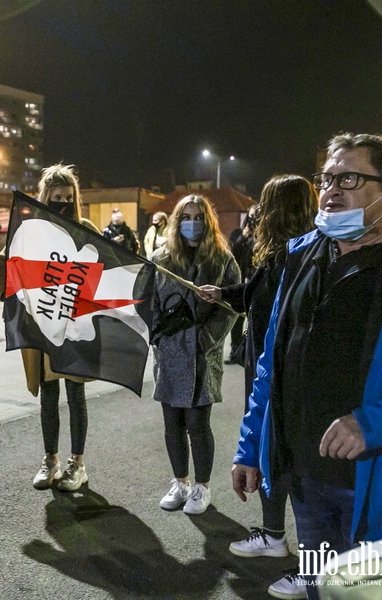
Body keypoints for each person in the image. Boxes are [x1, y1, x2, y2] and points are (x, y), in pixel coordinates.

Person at [232, 133, 382, 598]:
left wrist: (370, 424)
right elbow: (272, 366)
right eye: (327, 177)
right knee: (322, 588)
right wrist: (252, 445)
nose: (330, 189)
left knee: (380, 592)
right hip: (309, 483)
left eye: (349, 178)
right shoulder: (302, 256)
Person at [197, 175, 317, 599]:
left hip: (283, 373)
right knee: (269, 451)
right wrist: (224, 293)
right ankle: (272, 534)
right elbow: (255, 296)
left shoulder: (299, 255)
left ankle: (312, 565)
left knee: (295, 461)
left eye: (266, 204)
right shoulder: (283, 254)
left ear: (278, 209)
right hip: (267, 367)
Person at [0, 164, 98, 492]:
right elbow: (1, 268)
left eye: (67, 197)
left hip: (75, 328)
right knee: (49, 396)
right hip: (43, 329)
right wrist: (18, 300)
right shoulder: (30, 233)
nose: (62, 202)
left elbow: (102, 272)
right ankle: (50, 459)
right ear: (44, 198)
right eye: (56, 197)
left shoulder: (85, 229)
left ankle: (77, 464)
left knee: (76, 394)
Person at [151, 194, 239, 515]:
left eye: (199, 217)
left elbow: (230, 308)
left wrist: (205, 340)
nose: (192, 223)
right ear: (177, 221)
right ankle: (180, 482)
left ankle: (202, 487)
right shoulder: (161, 258)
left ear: (208, 221)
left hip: (203, 356)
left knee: (197, 425)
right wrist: (158, 335)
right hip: (169, 355)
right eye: (186, 217)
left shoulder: (222, 259)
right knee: (172, 423)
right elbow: (150, 302)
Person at [224, 205, 257, 366]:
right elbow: (232, 251)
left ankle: (249, 353)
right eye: (250, 217)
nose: (252, 221)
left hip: (253, 280)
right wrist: (243, 238)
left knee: (252, 321)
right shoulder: (238, 233)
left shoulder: (262, 235)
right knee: (236, 320)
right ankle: (234, 351)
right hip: (240, 280)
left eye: (256, 217)